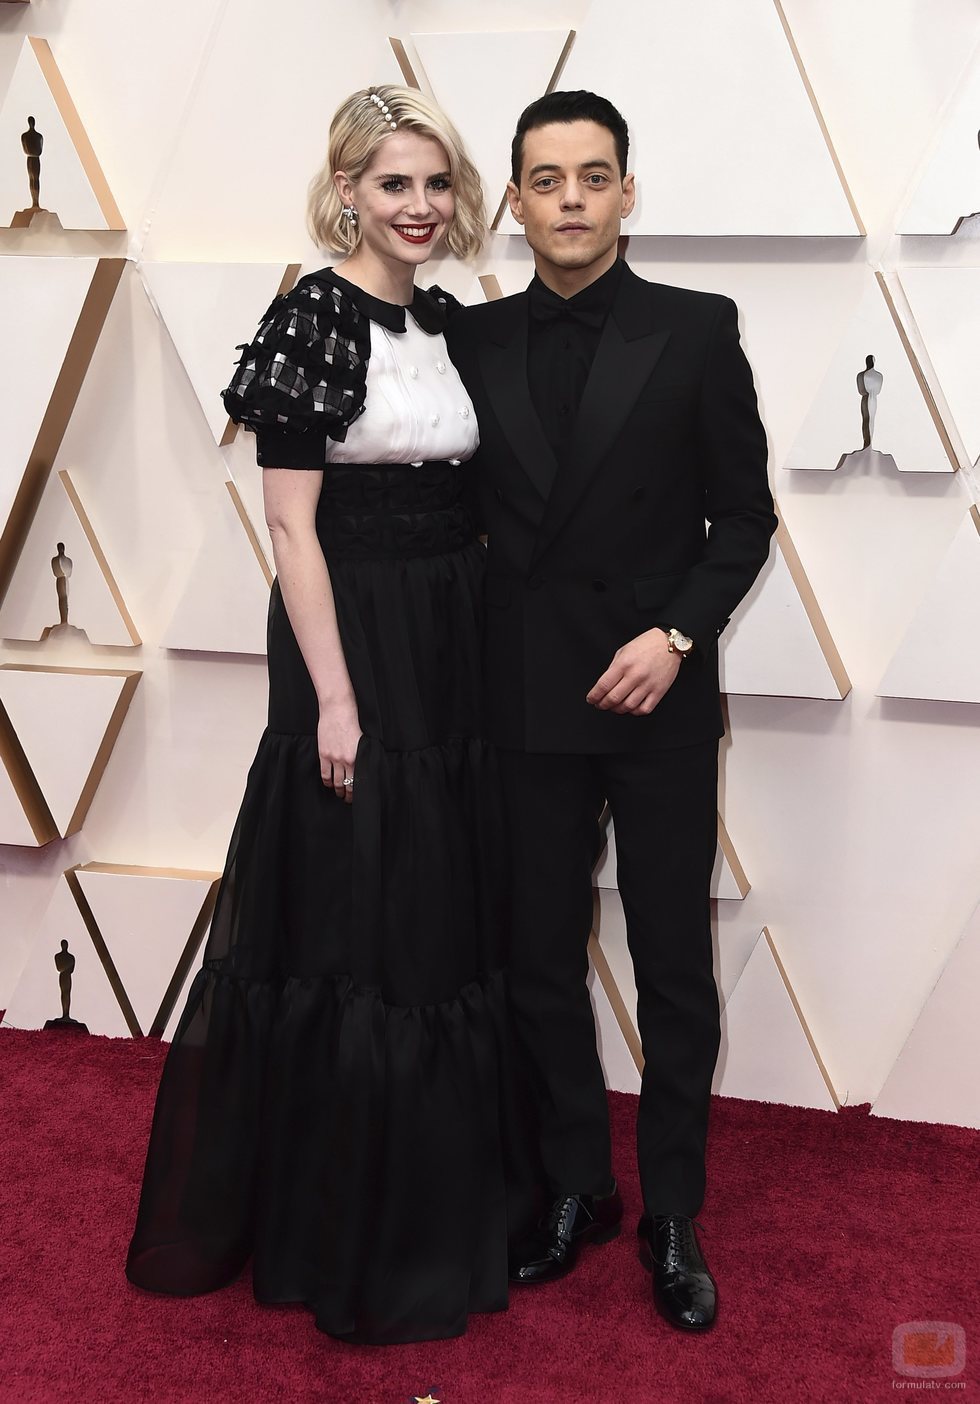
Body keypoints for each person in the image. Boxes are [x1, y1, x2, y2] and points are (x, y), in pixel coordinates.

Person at [126, 84, 526, 1346]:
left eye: (436, 182)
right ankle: (347, 1220)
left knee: (434, 916)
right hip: (350, 636)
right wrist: (337, 701)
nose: (419, 205)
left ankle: (438, 1199)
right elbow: (291, 529)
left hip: (450, 636)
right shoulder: (309, 316)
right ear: (345, 188)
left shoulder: (446, 321)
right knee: (360, 917)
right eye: (393, 182)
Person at [446, 90, 778, 1333]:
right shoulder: (470, 340)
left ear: (626, 192)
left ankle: (672, 1212)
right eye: (546, 180)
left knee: (672, 964)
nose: (571, 199)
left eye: (593, 176)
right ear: (515, 202)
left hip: (656, 695)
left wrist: (675, 637)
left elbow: (740, 518)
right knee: (535, 957)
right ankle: (575, 1187)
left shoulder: (695, 328)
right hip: (525, 694)